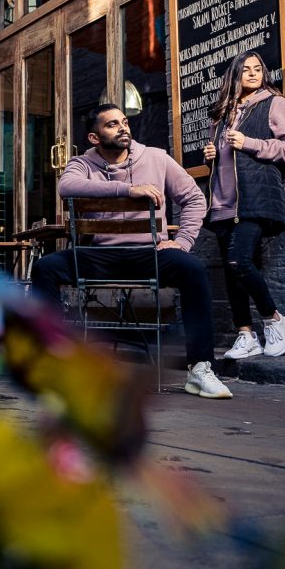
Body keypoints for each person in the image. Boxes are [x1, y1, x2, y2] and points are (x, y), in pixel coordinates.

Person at [30, 104, 232, 399]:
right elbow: (67, 186)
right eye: (112, 124)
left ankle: (200, 369)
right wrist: (128, 190)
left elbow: (194, 198)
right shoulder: (82, 163)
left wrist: (184, 240)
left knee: (192, 269)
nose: (123, 127)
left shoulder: (155, 157)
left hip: (150, 254)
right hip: (102, 257)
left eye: (124, 122)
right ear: (94, 137)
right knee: (45, 268)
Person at [202, 51, 285, 360]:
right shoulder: (221, 114)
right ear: (234, 75)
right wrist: (211, 157)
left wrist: (250, 143)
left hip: (254, 200)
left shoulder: (275, 104)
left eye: (258, 68)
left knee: (239, 261)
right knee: (232, 273)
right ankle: (245, 335)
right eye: (246, 69)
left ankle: (274, 319)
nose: (254, 73)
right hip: (222, 204)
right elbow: (226, 162)